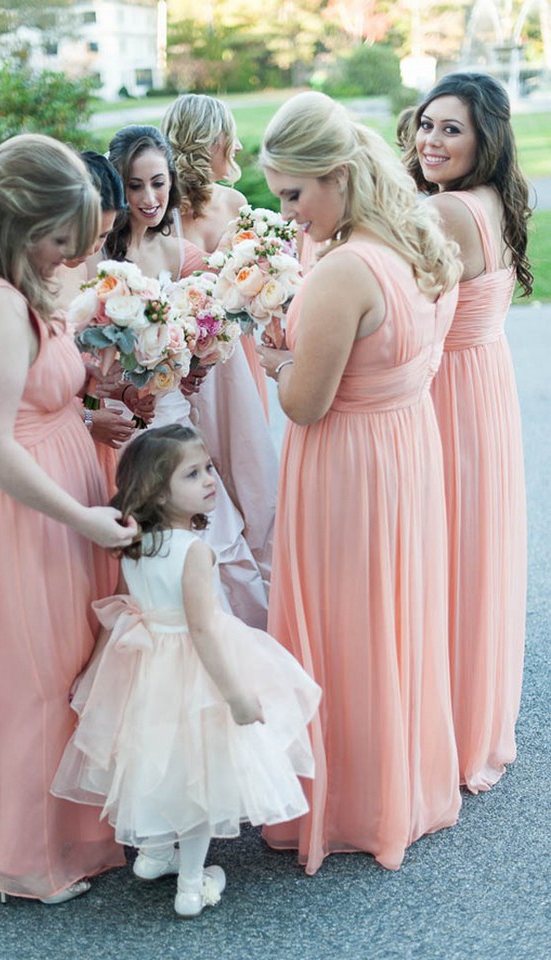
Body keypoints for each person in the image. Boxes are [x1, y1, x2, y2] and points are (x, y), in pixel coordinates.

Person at [0, 133, 138, 904]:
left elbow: (26, 398)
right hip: (23, 515)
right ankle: (24, 856)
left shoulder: (3, 288)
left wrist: (88, 417)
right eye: (57, 241)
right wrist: (80, 515)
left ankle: (66, 834)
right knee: (27, 682)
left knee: (63, 672)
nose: (64, 258)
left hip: (51, 500)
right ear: (16, 223)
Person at [256, 91, 463, 872]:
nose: (288, 211)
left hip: (347, 462)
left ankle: (347, 799)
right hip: (401, 451)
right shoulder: (406, 244)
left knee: (344, 624)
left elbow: (305, 405)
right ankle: (392, 786)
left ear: (336, 174)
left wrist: (276, 358)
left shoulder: (344, 268)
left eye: (293, 194)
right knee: (389, 617)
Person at [51, 424, 320, 917]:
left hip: (147, 669)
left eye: (208, 469)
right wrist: (236, 693)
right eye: (193, 474)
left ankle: (153, 855)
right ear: (157, 491)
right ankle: (192, 885)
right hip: (195, 671)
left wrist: (92, 675)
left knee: (156, 759)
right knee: (200, 778)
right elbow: (202, 630)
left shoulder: (134, 547)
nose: (210, 480)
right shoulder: (196, 552)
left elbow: (124, 613)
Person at [402, 72, 531, 793]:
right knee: (470, 549)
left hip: (448, 384)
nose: (431, 139)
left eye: (451, 129)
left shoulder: (447, 213)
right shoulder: (494, 199)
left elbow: (406, 311)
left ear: (485, 138)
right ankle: (466, 710)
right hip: (483, 378)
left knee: (443, 549)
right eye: (427, 124)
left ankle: (443, 721)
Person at [105, 125, 273, 628]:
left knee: (223, 542)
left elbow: (218, 313)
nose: (150, 197)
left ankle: (252, 656)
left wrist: (196, 359)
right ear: (117, 188)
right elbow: (82, 367)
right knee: (153, 557)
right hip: (126, 433)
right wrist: (118, 393)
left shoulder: (179, 255)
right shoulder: (100, 260)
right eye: (135, 186)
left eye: (158, 183)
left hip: (179, 424)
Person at [161, 92, 269, 412]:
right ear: (211, 141)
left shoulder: (236, 204)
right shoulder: (159, 212)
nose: (236, 147)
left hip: (236, 354)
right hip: (177, 363)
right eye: (230, 138)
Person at [58, 150, 153, 494]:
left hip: (93, 437)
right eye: (89, 233)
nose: (92, 247)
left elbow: (82, 360)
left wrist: (123, 391)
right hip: (58, 441)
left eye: (103, 237)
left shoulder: (80, 268)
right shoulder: (35, 278)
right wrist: (85, 420)